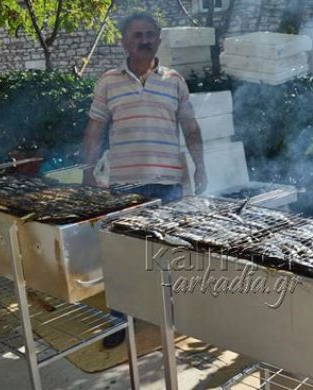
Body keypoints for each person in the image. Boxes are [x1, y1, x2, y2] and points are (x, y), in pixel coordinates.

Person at [81, 11, 207, 348]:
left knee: (172, 253)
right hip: (126, 186)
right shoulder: (108, 81)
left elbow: (191, 128)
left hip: (169, 183)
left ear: (158, 40)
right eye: (137, 34)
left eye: (150, 34)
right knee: (122, 256)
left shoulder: (175, 80)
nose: (144, 40)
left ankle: (176, 314)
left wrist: (201, 166)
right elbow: (94, 131)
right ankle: (118, 322)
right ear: (124, 41)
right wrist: (87, 172)